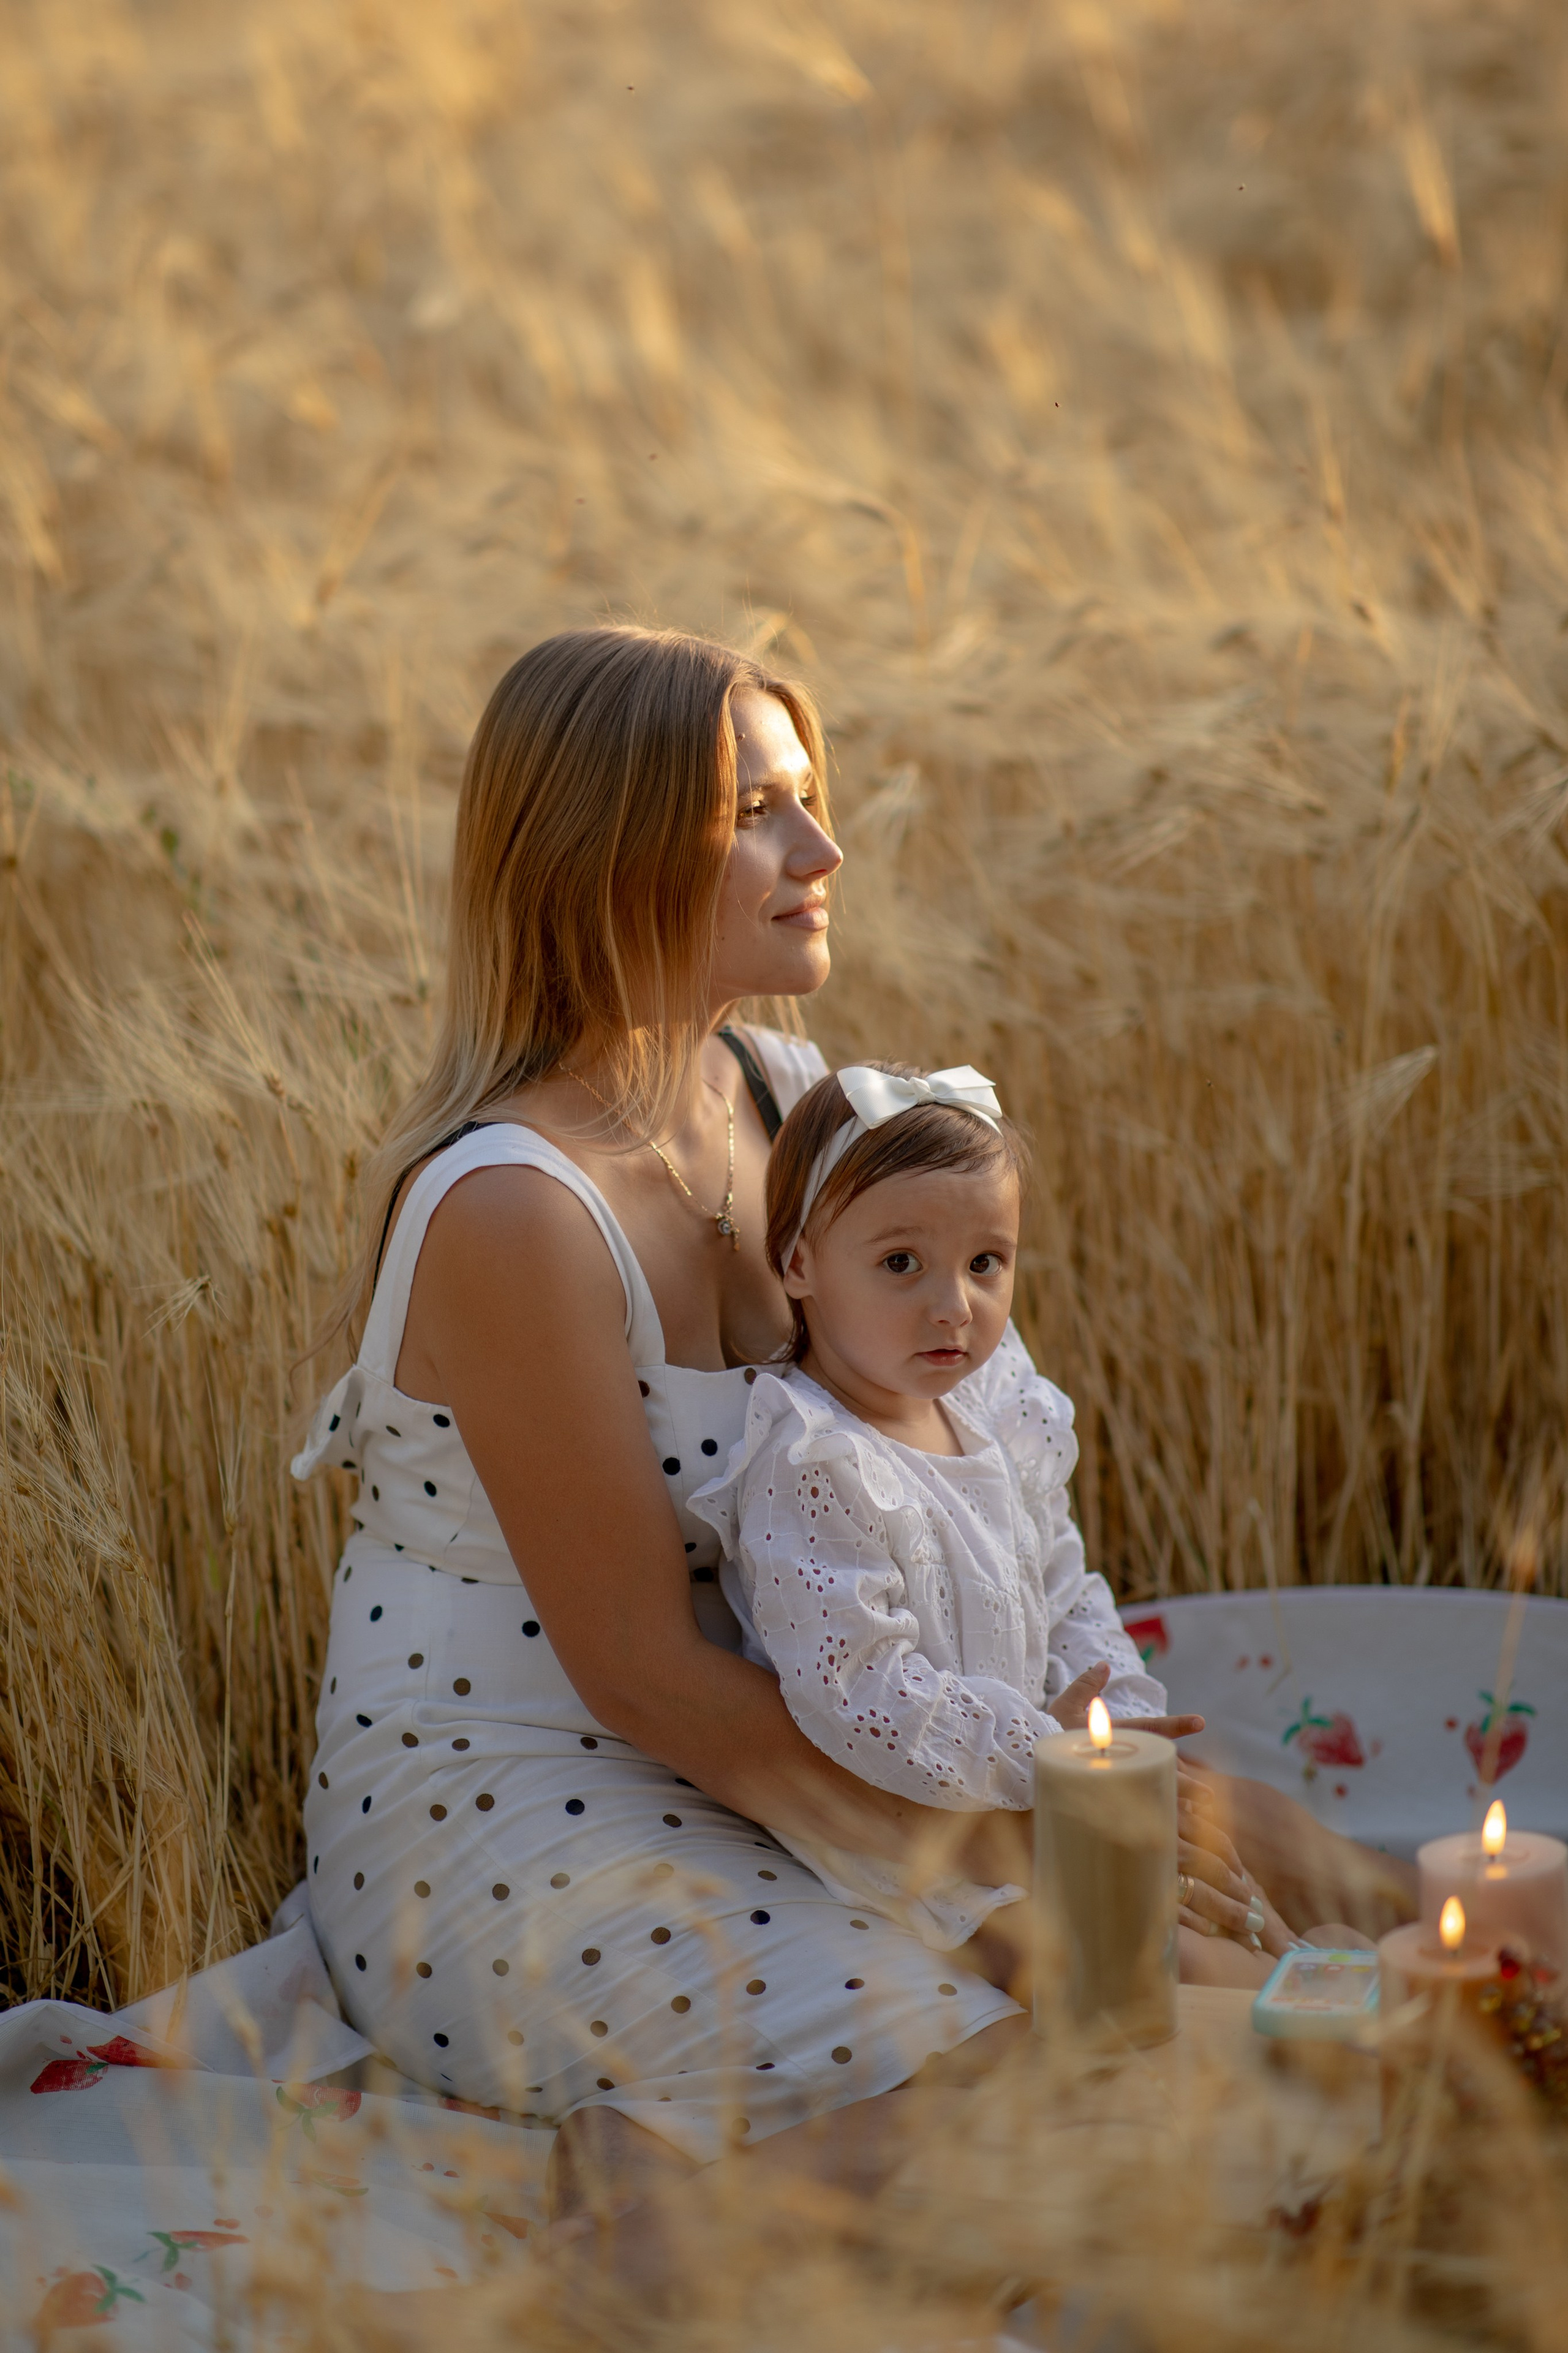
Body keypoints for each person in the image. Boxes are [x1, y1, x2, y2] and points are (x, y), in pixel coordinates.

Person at [290, 625, 1409, 2270]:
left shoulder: (781, 1091)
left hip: (812, 1728)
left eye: (808, 797)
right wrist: (999, 1869)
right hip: (532, 1808)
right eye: (756, 813)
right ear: (605, 851)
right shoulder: (514, 1209)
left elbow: (966, 1463)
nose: (823, 849)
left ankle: (1482, 1994)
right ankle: (660, 2232)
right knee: (1110, 2040)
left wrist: (1082, 1790)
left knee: (1279, 1870)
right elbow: (647, 1680)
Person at [690, 1057, 1280, 1984]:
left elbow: (1066, 1589)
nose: (953, 1306)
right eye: (901, 1264)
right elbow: (859, 1689)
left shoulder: (995, 1409)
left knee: (1236, 1896)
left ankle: (1342, 1984)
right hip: (923, 1839)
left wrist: (1117, 1729)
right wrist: (1040, 1753)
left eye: (985, 1263)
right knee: (1165, 1969)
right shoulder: (814, 1462)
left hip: (1046, 1785)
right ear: (799, 1262)